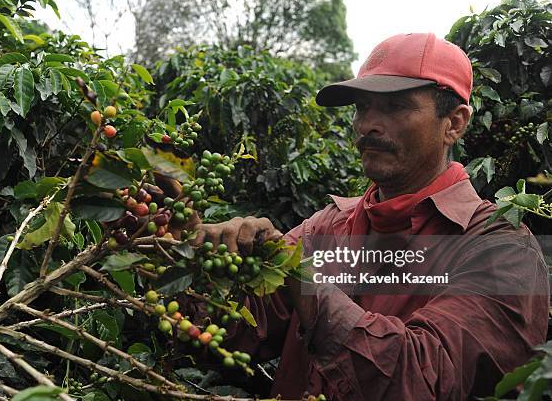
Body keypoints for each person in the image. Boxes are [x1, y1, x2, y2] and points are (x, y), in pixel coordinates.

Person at [190, 33, 550, 400]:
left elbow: (424, 379)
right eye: (362, 108)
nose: (367, 125)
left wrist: (301, 277)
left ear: (454, 123)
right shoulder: (325, 227)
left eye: (395, 107)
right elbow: (233, 334)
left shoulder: (502, 249)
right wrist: (182, 251)